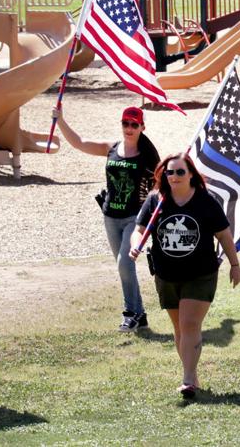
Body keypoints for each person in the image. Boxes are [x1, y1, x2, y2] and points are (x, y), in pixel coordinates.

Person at [130, 153, 240, 399]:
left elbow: (224, 235)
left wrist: (235, 264)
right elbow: (139, 231)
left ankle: (188, 379)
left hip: (201, 274)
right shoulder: (156, 200)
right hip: (166, 274)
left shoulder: (205, 201)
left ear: (191, 174)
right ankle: (192, 373)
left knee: (190, 324)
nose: (175, 176)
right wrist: (135, 244)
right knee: (179, 328)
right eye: (170, 172)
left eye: (180, 172)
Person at [54, 105, 159, 332]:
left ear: (142, 127)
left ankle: (130, 313)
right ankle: (140, 316)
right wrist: (60, 120)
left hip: (135, 218)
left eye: (134, 124)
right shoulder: (111, 148)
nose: (129, 128)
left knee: (124, 263)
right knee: (124, 267)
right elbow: (79, 142)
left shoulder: (148, 155)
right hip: (110, 216)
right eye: (125, 123)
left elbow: (160, 184)